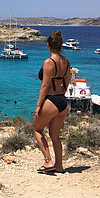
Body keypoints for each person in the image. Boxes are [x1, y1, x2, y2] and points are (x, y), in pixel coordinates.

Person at [33, 31, 71, 174]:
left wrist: (38, 105)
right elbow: (67, 83)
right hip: (62, 101)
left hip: (51, 100)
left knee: (37, 129)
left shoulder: (49, 62)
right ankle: (59, 166)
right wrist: (60, 96)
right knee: (54, 135)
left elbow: (45, 86)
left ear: (47, 45)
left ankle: (48, 161)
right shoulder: (66, 62)